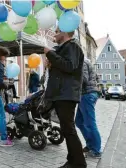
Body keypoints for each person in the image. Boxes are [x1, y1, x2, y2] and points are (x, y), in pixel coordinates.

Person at [44, 27, 86, 168]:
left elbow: (69, 66)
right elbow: (62, 69)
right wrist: (51, 65)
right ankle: (72, 160)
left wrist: (50, 54)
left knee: (69, 129)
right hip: (61, 93)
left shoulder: (72, 46)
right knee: (66, 129)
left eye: (57, 31)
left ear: (65, 32)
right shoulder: (64, 48)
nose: (54, 34)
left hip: (66, 94)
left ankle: (79, 163)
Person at [75, 58, 102, 158]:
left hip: (87, 95)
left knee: (90, 123)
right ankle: (90, 145)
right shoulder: (86, 61)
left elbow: (84, 79)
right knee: (79, 121)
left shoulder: (81, 61)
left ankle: (96, 150)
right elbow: (96, 78)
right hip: (86, 94)